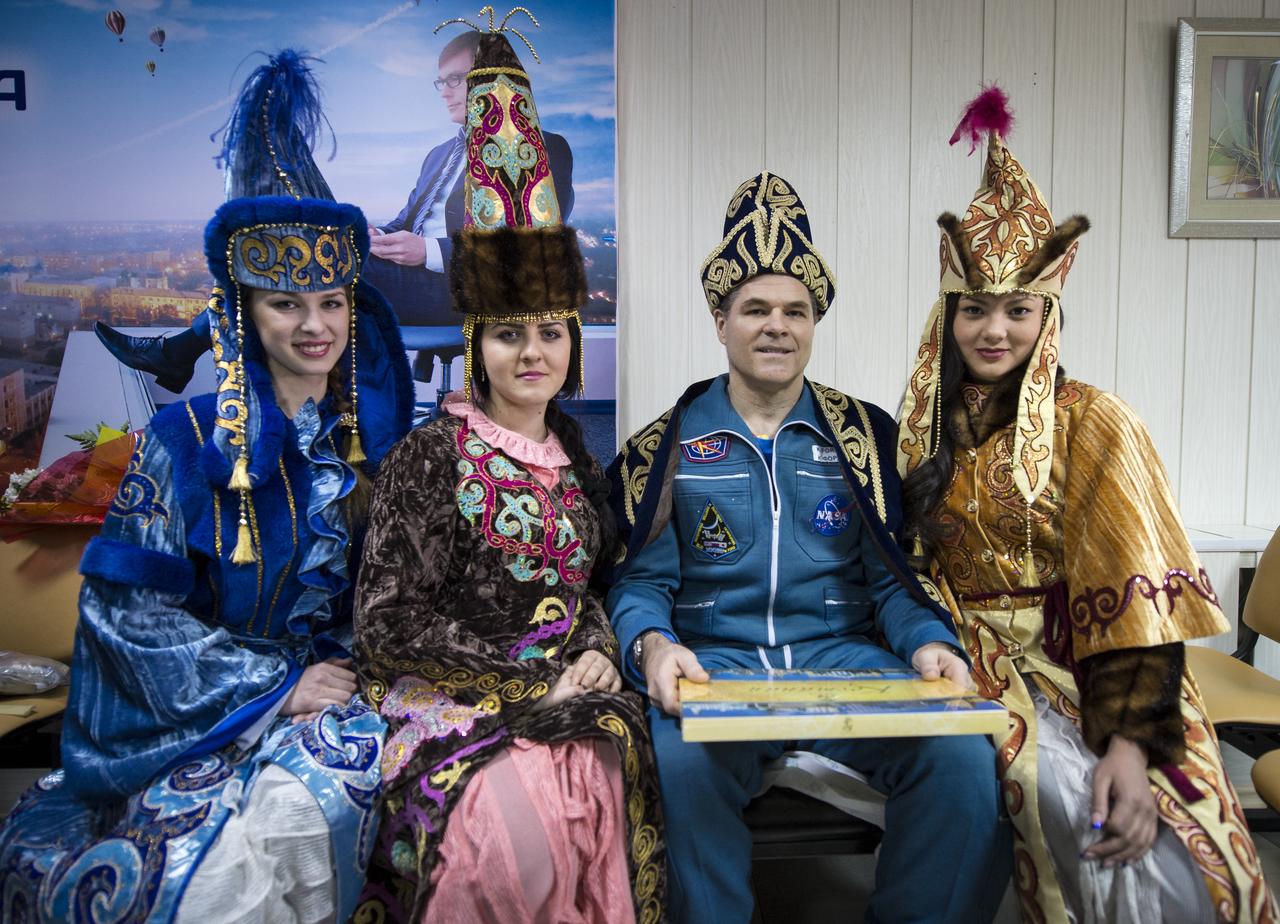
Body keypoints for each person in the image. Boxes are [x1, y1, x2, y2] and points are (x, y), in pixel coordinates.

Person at [0, 51, 414, 922]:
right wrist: (271, 688)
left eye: (332, 303)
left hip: (345, 713)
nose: (314, 326)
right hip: (209, 717)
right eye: (285, 305)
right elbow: (125, 622)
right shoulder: (180, 443)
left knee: (305, 817)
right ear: (242, 311)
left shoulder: (379, 447)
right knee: (207, 877)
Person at [897, 87, 1278, 923]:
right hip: (969, 664)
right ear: (947, 313)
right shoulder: (918, 432)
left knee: (1158, 845)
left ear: (1048, 312)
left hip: (1091, 664)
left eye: (1018, 309)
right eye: (975, 309)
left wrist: (1133, 746)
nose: (994, 330)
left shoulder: (1095, 423)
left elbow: (1136, 596)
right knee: (1031, 794)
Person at [606, 171, 1010, 924]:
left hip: (842, 658)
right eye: (755, 309)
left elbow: (894, 580)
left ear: (814, 322)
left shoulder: (866, 437)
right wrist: (655, 647)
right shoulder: (659, 448)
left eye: (795, 311)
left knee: (963, 764)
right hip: (713, 664)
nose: (776, 327)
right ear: (720, 322)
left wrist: (927, 644)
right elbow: (637, 586)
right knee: (682, 767)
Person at [351, 23, 663, 924]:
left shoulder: (578, 458)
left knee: (608, 794)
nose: (533, 351)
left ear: (573, 341)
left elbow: (589, 586)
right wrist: (535, 681)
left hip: (570, 700)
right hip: (454, 704)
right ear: (476, 345)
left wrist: (599, 649)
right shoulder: (430, 456)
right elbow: (386, 624)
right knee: (506, 845)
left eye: (551, 331)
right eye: (509, 332)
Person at [92, 30, 575, 388]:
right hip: (410, 278)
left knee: (300, 254)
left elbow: (532, 248)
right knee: (289, 247)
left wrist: (427, 250)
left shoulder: (543, 148)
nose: (446, 91)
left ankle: (185, 353)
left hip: (466, 292)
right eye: (441, 81)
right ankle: (191, 356)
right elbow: (404, 222)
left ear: (489, 79)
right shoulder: (440, 155)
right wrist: (375, 233)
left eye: (457, 79)